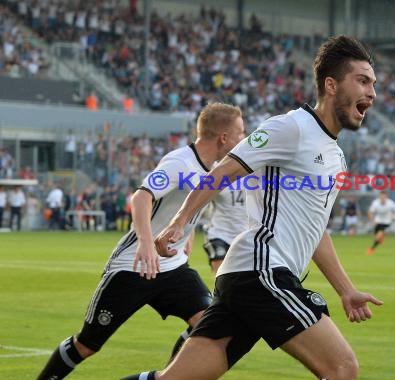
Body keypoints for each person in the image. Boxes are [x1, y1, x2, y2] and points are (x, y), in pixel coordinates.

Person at [123, 35, 382, 380]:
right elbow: (223, 171)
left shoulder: (335, 156)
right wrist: (180, 222)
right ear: (331, 85)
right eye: (362, 81)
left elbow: (315, 229)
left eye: (373, 84)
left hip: (248, 276)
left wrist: (346, 290)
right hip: (261, 270)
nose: (372, 93)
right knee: (342, 367)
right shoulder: (291, 127)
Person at [37, 102, 246, 380]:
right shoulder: (179, 162)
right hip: (133, 267)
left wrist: (187, 236)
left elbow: (186, 208)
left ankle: (170, 376)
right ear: (224, 138)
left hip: (173, 268)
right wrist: (147, 244)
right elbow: (141, 197)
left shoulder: (214, 169)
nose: (243, 139)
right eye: (240, 133)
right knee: (87, 345)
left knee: (207, 325)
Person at [202, 186, 247, 274]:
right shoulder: (220, 177)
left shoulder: (255, 180)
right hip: (218, 234)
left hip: (244, 236)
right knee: (221, 274)